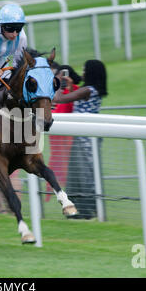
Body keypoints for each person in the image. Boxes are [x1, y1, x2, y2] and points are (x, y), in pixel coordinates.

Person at [66, 59, 108, 220]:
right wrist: (70, 87)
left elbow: (63, 99)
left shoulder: (88, 90)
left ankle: (86, 209)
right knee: (83, 173)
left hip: (85, 139)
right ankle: (84, 208)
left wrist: (54, 89)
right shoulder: (91, 90)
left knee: (84, 174)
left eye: (84, 69)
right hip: (85, 137)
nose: (82, 72)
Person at [45, 64, 82, 202]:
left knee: (66, 164)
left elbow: (73, 104)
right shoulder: (54, 92)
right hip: (56, 137)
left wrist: (70, 87)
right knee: (55, 162)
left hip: (67, 136)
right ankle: (49, 194)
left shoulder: (76, 90)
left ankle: (67, 191)